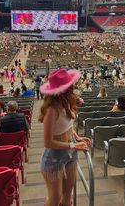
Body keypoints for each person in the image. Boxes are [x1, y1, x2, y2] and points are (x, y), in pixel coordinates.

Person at [38, 68, 89, 206]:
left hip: (70, 155)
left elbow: (68, 126)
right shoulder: (51, 110)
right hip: (53, 159)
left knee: (68, 194)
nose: (73, 86)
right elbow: (48, 142)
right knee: (54, 199)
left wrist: (77, 137)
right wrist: (73, 145)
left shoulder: (66, 102)